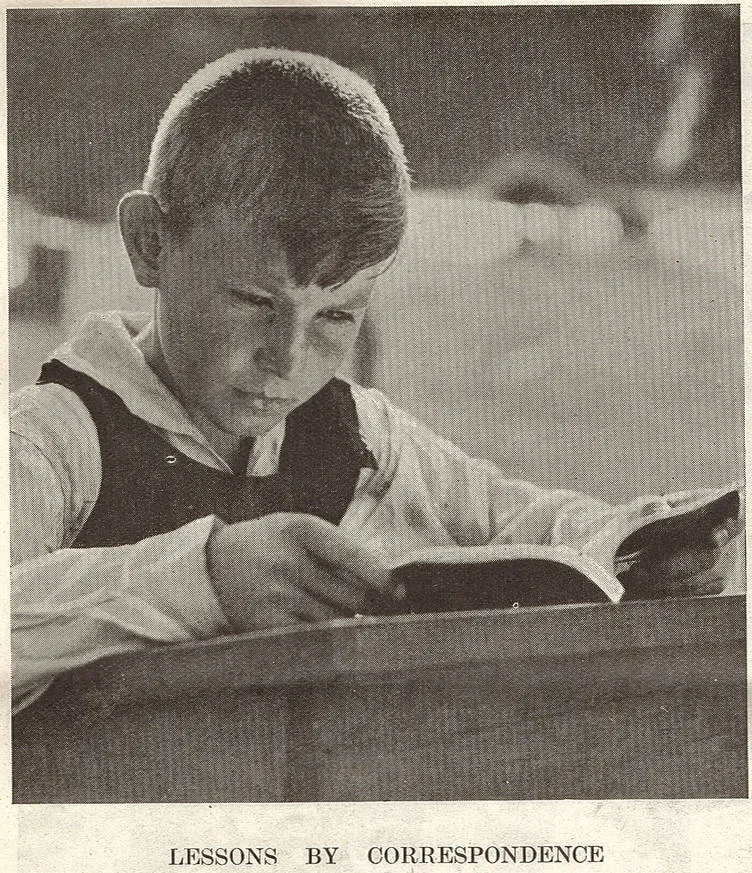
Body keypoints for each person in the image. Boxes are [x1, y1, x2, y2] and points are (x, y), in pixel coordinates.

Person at [10, 48, 740, 715]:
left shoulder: (357, 433)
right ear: (149, 244)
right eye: (255, 302)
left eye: (335, 315)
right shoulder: (52, 441)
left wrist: (630, 545)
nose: (288, 358)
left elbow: (516, 522)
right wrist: (202, 579)